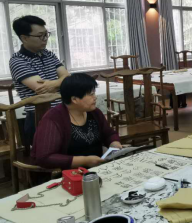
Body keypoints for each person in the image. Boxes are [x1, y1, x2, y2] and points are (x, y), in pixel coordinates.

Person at [31, 73, 122, 170]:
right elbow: (45, 157)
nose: (95, 97)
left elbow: (109, 134)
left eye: (94, 93)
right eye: (91, 94)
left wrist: (114, 144)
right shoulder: (53, 118)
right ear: (74, 99)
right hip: (67, 173)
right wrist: (84, 161)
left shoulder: (94, 112)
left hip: (97, 168)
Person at [9, 15, 70, 144]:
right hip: (39, 116)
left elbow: (68, 78)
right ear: (24, 38)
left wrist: (54, 84)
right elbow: (42, 89)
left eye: (46, 34)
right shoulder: (18, 60)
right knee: (50, 153)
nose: (45, 39)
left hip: (62, 110)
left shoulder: (49, 54)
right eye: (40, 36)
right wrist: (61, 82)